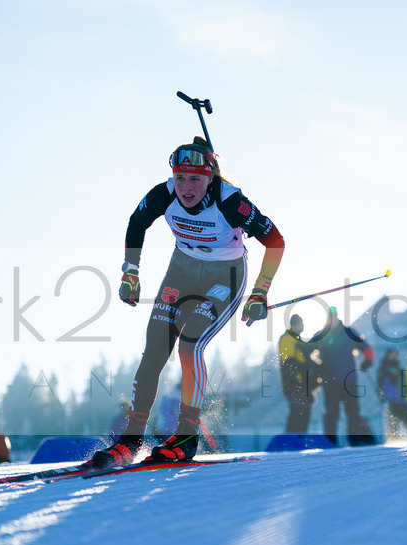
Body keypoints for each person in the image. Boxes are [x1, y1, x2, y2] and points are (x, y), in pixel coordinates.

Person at [90, 137, 285, 466]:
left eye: (195, 178)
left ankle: (185, 436)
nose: (186, 187)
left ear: (210, 177)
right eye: (180, 177)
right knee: (154, 350)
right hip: (181, 272)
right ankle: (131, 439)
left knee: (190, 344)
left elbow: (276, 241)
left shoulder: (231, 203)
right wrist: (130, 273)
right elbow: (137, 223)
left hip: (225, 276)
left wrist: (260, 291)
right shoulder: (163, 194)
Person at [313, 307, 374, 446]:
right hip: (330, 381)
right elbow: (306, 350)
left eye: (334, 316)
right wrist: (316, 366)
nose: (333, 319)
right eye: (331, 316)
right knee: (331, 414)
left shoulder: (349, 332)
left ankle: (355, 442)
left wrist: (368, 361)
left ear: (337, 316)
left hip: (349, 380)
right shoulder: (321, 334)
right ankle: (331, 442)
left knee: (353, 413)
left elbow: (367, 348)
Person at [278, 314, 317, 433]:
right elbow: (289, 361)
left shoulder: (296, 339)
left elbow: (303, 357)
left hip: (301, 382)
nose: (303, 326)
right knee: (297, 409)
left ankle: (301, 435)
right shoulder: (287, 338)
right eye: (301, 323)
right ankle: (291, 437)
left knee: (304, 408)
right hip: (293, 382)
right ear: (296, 324)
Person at [376, 348, 406, 440]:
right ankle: (393, 440)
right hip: (389, 399)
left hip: (399, 399)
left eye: (395, 354)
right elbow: (380, 385)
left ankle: (405, 438)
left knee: (405, 421)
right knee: (392, 422)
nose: (394, 356)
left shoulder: (397, 367)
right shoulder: (383, 368)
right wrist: (382, 396)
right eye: (392, 354)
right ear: (388, 355)